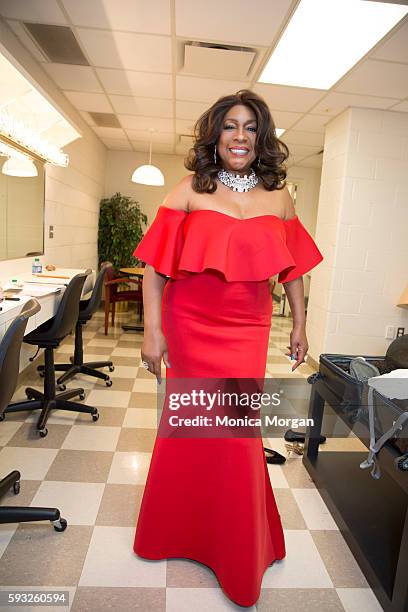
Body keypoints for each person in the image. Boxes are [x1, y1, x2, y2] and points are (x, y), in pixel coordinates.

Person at [132, 89, 323, 607]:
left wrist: (300, 325)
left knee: (236, 433)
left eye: (250, 127)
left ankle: (235, 548)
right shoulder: (187, 191)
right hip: (190, 321)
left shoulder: (279, 198)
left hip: (247, 327)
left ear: (261, 138)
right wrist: (154, 331)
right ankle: (178, 533)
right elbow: (154, 268)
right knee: (191, 427)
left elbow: (293, 271)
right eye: (230, 126)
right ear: (215, 135)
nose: (240, 136)